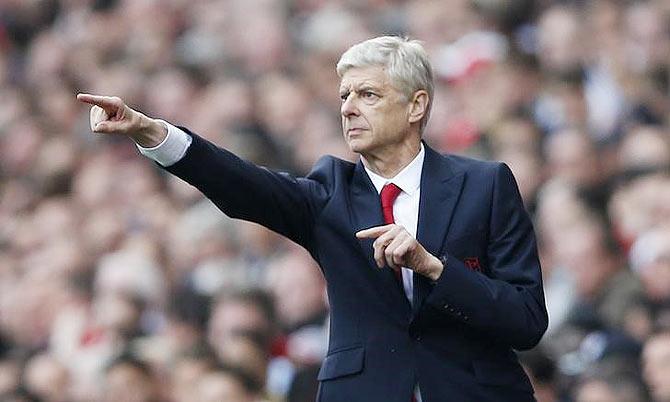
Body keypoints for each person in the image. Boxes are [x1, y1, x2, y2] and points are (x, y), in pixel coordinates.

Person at [77, 36, 548, 402]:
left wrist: (436, 269)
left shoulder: (484, 185)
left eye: (367, 94)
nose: (348, 107)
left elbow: (526, 320)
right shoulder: (329, 193)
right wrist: (151, 132)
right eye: (344, 96)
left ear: (416, 105)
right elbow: (238, 183)